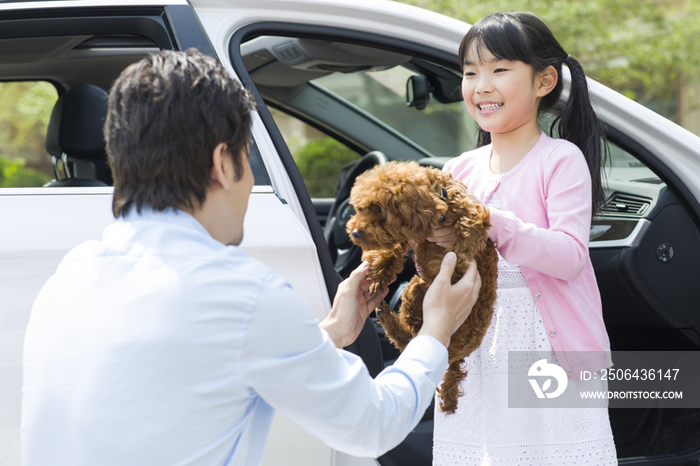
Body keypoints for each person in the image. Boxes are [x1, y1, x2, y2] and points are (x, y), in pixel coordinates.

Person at [21, 49, 482, 466]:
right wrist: (438, 328)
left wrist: (332, 334)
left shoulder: (72, 273)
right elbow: (373, 426)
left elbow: (203, 368)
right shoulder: (240, 292)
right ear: (223, 163)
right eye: (248, 160)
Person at [428, 12, 617, 465]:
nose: (481, 85)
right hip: (477, 353)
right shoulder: (458, 169)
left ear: (544, 81)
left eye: (499, 69)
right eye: (470, 73)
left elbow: (570, 257)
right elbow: (444, 265)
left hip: (548, 353)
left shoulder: (560, 159)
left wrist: (487, 218)